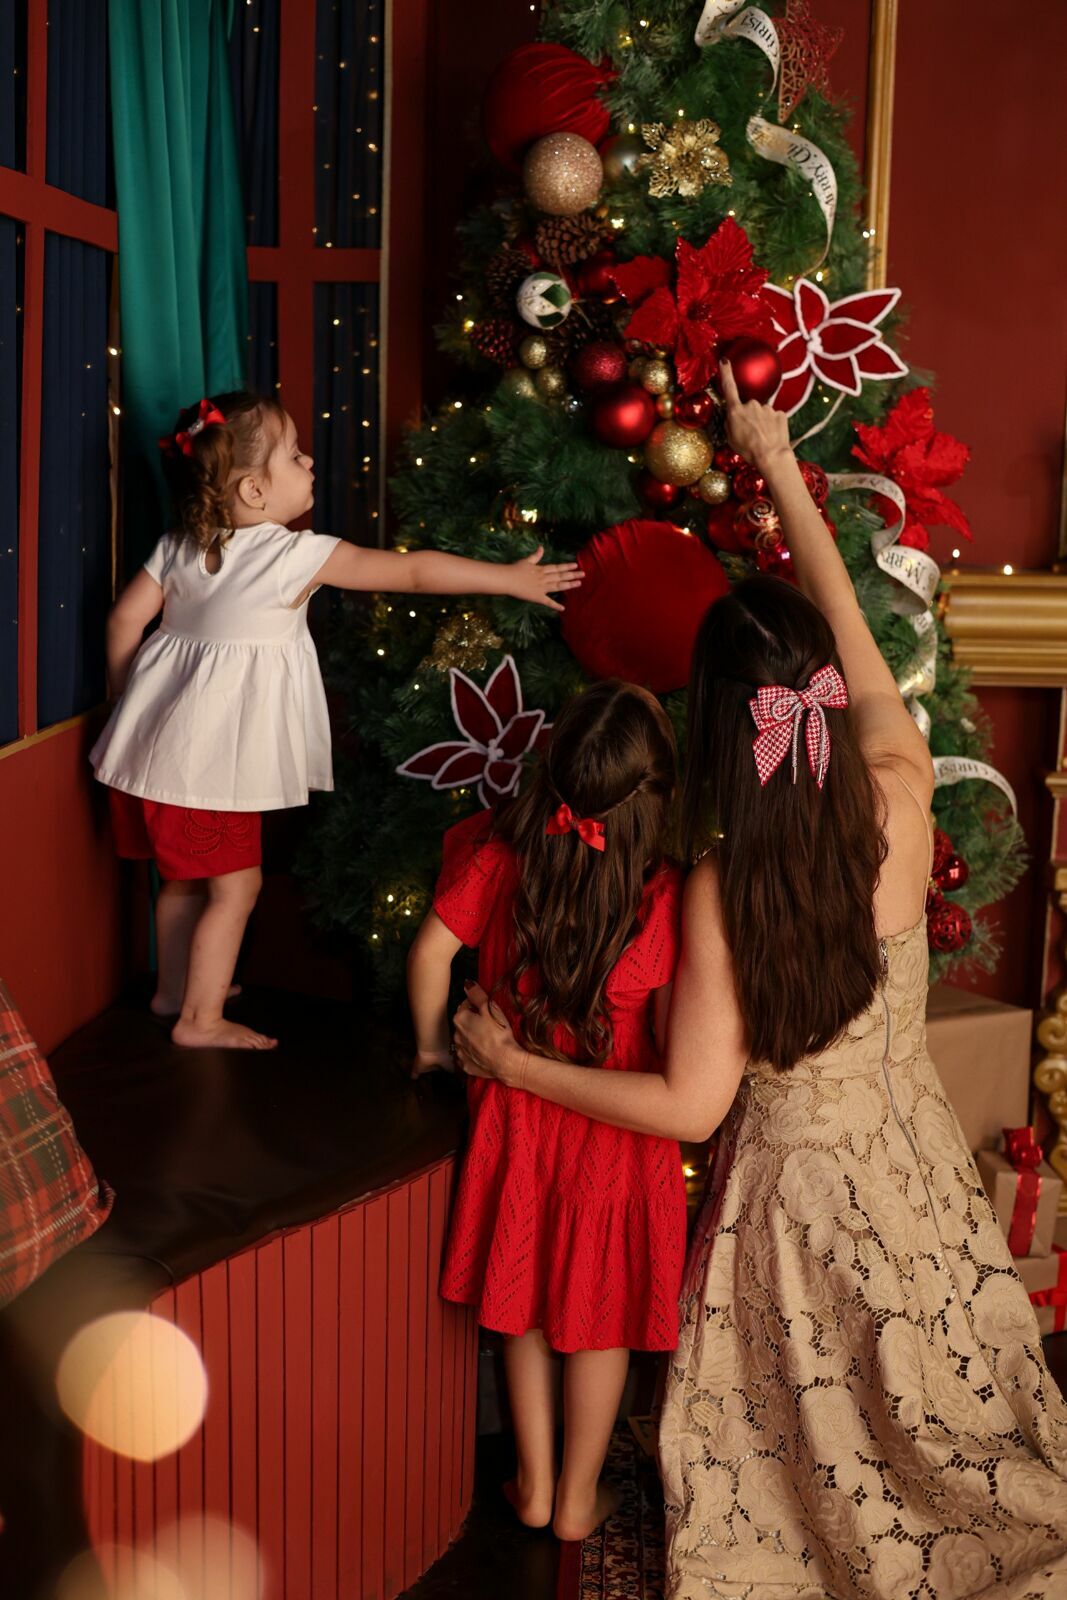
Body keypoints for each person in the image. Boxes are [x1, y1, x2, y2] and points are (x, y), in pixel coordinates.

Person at [454, 362, 1067, 1594]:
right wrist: (779, 463)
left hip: (796, 1212)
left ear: (719, 726)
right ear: (821, 698)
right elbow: (851, 635)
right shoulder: (897, 795)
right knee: (934, 1406)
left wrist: (511, 1062)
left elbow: (689, 1107)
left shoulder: (719, 890)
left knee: (809, 1468)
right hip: (908, 1159)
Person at [92, 391, 581, 1051]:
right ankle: (199, 1019)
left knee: (182, 880)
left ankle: (175, 990)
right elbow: (412, 574)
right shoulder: (291, 555)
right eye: (295, 455)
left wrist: (127, 707)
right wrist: (507, 578)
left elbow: (124, 621)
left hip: (150, 754)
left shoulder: (180, 546)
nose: (310, 463)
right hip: (209, 766)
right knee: (237, 889)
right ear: (254, 491)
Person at [407, 680, 687, 1542]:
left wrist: (430, 1050)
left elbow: (430, 952)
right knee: (600, 1321)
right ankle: (574, 1497)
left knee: (521, 1300)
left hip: (515, 1130)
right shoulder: (664, 899)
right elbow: (672, 1043)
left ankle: (530, 1483)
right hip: (614, 1143)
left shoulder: (500, 855)